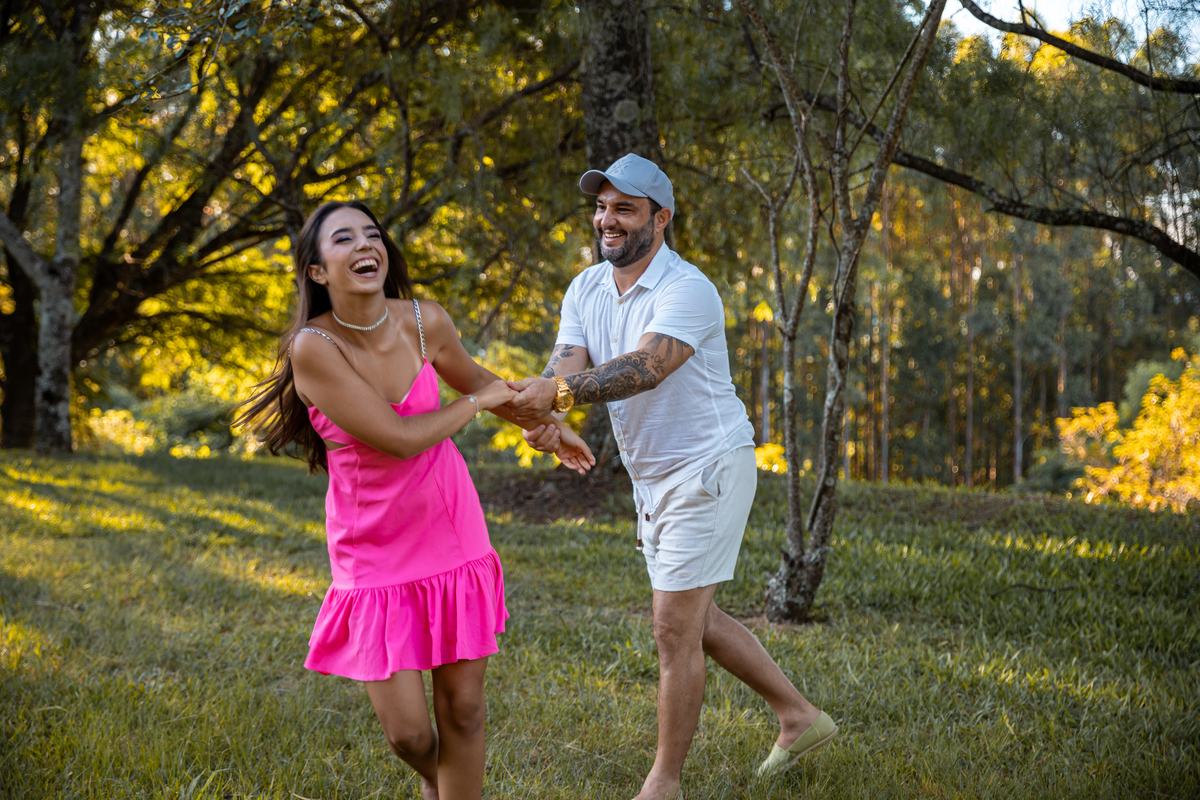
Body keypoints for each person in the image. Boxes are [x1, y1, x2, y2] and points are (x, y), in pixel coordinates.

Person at [235, 200, 594, 800]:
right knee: (407, 734)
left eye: (371, 234)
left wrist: (549, 427)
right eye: (343, 238)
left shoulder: (426, 321)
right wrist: (476, 405)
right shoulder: (313, 346)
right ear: (317, 271)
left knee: (464, 711)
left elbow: (479, 381)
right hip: (372, 543)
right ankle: (439, 779)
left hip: (449, 524)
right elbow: (400, 437)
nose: (363, 245)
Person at [507, 154, 836, 799]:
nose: (607, 220)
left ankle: (664, 785)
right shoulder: (586, 287)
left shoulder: (689, 289)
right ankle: (800, 717)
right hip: (653, 479)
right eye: (602, 207)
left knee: (672, 627)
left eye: (624, 209)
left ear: (661, 218)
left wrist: (559, 396)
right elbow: (567, 364)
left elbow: (645, 368)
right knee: (696, 619)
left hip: (707, 467)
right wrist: (549, 418)